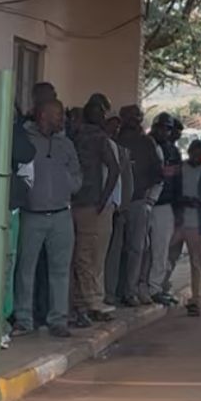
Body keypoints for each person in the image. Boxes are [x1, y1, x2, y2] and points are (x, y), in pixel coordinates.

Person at [13, 98, 82, 338]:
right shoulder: (26, 139)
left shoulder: (66, 144)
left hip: (62, 214)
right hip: (31, 214)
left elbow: (76, 173)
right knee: (25, 269)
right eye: (58, 114)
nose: (62, 118)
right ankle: (23, 318)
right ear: (43, 115)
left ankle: (58, 319)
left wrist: (68, 186)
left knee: (60, 270)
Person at [69, 98, 120, 327]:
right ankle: (90, 301)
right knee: (89, 257)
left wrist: (102, 198)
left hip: (83, 203)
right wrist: (103, 198)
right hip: (87, 204)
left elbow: (114, 169)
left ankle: (88, 301)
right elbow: (115, 169)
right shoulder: (92, 137)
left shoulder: (81, 136)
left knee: (84, 256)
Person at [166, 140, 201, 316]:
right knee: (168, 257)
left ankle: (195, 299)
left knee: (196, 262)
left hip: (199, 223)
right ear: (189, 151)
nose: (196, 156)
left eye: (199, 153)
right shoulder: (179, 169)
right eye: (193, 152)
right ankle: (160, 288)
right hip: (178, 221)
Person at [119, 104, 161, 306]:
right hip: (115, 204)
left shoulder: (147, 143)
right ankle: (113, 291)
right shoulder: (114, 140)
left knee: (137, 248)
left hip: (138, 201)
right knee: (116, 251)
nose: (134, 120)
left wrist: (146, 195)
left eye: (137, 116)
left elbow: (157, 173)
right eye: (130, 117)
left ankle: (132, 289)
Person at [145, 113, 182, 307]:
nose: (164, 132)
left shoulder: (171, 151)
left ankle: (155, 287)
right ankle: (143, 287)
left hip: (164, 204)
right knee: (141, 250)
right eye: (161, 128)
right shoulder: (146, 145)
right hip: (144, 202)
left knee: (160, 250)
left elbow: (176, 182)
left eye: (167, 129)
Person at [103, 113, 133, 306]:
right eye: (111, 126)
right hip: (103, 208)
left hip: (118, 209)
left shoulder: (122, 151)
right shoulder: (99, 146)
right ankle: (104, 293)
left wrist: (122, 206)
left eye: (117, 128)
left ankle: (112, 291)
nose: (115, 130)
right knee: (103, 256)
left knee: (116, 253)